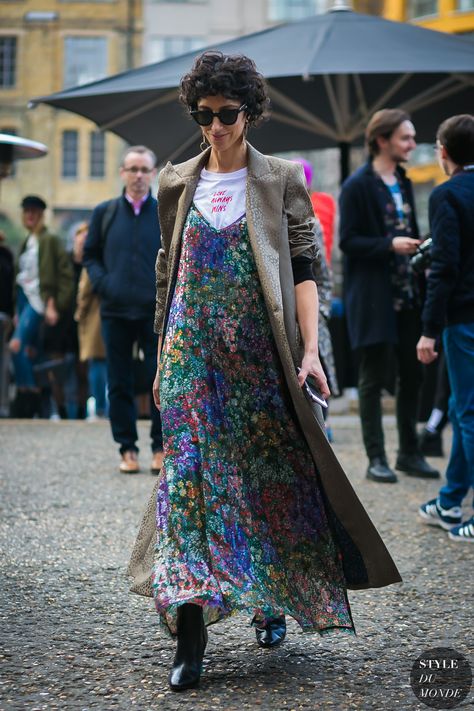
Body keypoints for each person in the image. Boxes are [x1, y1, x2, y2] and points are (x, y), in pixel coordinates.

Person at [128, 51, 401, 693]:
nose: (215, 127)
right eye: (204, 115)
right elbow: (168, 276)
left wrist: (310, 353)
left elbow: (305, 269)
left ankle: (268, 593)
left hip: (262, 359)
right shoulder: (175, 181)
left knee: (266, 479)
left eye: (226, 115)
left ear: (250, 113)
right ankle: (190, 637)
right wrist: (162, 355)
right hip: (193, 360)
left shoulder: (280, 178)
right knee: (190, 489)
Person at [339, 109, 439, 484]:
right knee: (372, 376)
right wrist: (389, 245)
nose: (413, 144)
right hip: (373, 297)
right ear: (382, 140)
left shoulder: (403, 179)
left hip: (409, 292)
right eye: (406, 138)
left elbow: (409, 231)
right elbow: (348, 242)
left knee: (412, 375)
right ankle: (376, 457)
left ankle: (409, 453)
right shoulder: (356, 186)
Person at [83, 146, 163, 474]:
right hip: (115, 310)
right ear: (122, 173)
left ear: (154, 173)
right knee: (118, 382)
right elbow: (90, 256)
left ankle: (160, 448)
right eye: (133, 169)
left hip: (152, 312)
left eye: (145, 169)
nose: (139, 176)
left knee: (163, 381)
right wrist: (106, 285)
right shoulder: (105, 213)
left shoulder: (163, 213)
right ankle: (127, 449)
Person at [417, 114, 474, 542]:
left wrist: (429, 329)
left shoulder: (447, 195)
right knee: (460, 406)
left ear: (444, 152)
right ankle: (451, 498)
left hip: (464, 320)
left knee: (468, 413)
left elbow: (445, 268)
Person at [9, 195, 74, 418]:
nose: (29, 216)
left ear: (41, 215)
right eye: (26, 211)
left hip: (39, 302)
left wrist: (54, 304)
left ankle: (29, 394)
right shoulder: (27, 242)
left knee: (16, 346)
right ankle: (34, 400)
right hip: (24, 301)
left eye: (34, 212)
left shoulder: (50, 240)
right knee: (29, 351)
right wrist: (18, 310)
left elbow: (63, 277)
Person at [73, 222, 108, 420]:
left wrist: (79, 313)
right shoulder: (107, 254)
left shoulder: (92, 259)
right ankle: (105, 407)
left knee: (96, 363)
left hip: (94, 318)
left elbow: (85, 291)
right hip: (107, 315)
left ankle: (101, 408)